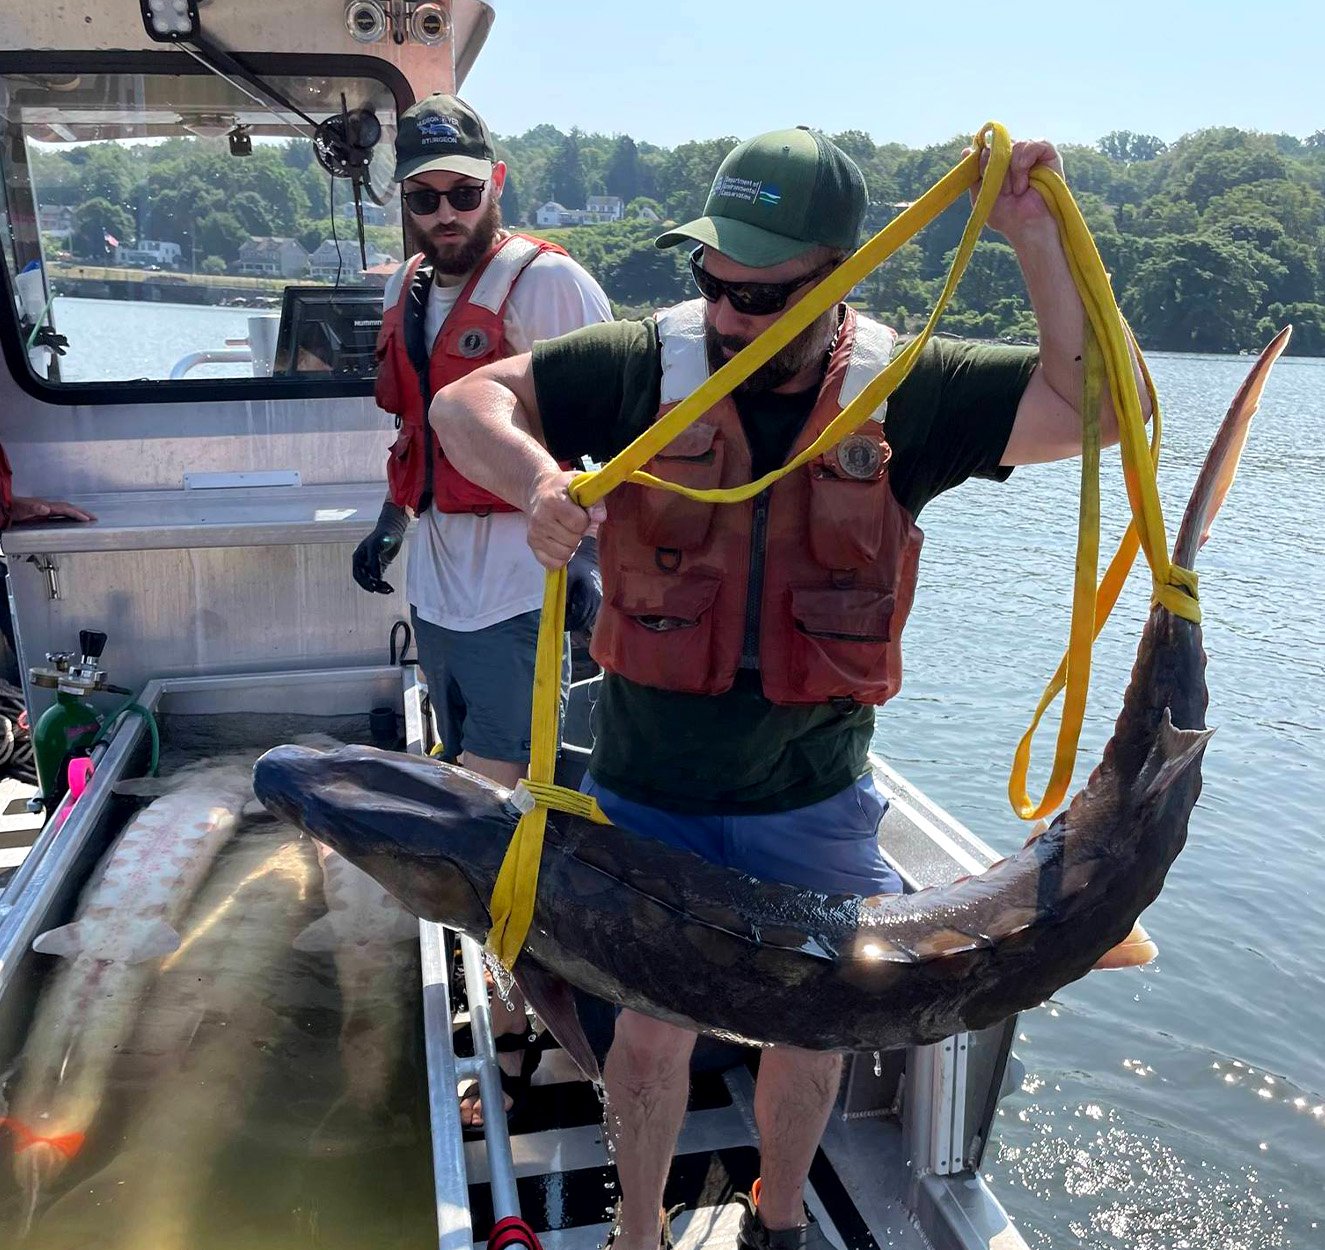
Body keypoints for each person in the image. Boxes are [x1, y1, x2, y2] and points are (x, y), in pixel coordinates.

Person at [431, 126, 1151, 1250]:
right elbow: (464, 404)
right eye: (709, 280)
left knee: (811, 1034)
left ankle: (775, 1221)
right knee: (650, 1033)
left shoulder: (904, 390)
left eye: (759, 292)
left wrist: (1031, 243)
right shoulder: (642, 365)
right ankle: (636, 1233)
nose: (725, 313)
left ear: (839, 275)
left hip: (811, 795)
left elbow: (1106, 410)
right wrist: (534, 483)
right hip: (644, 788)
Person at [350, 93, 612, 1129]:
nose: (446, 211)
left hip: (527, 598)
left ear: (494, 182)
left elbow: (626, 431)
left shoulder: (548, 286)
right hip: (445, 592)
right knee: (478, 821)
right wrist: (386, 518)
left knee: (511, 827)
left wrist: (608, 580)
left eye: (464, 190)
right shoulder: (412, 287)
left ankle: (551, 1049)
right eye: (426, 196)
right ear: (404, 202)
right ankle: (514, 1029)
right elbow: (420, 427)